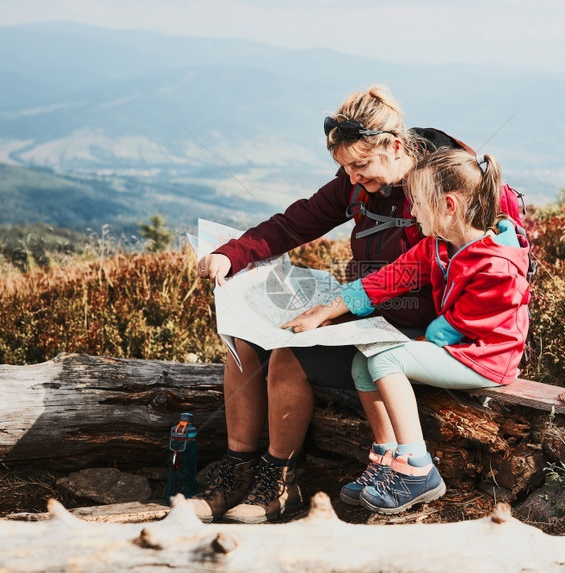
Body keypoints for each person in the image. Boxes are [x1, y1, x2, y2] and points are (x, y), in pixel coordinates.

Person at [193, 85, 475, 523]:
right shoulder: (357, 183)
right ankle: (237, 469)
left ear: (396, 146)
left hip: (422, 331)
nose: (353, 178)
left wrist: (338, 307)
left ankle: (278, 480)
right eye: (345, 168)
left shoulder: (446, 181)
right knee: (242, 339)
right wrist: (231, 253)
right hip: (367, 314)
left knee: (289, 356)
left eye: (360, 165)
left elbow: (429, 267)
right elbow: (296, 222)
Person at [283, 148, 531, 514]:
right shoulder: (437, 247)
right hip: (459, 350)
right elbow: (386, 280)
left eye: (417, 203)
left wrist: (420, 342)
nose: (411, 212)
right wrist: (325, 312)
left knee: (386, 358)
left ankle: (417, 468)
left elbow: (463, 326)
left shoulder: (498, 265)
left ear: (448, 206)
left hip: (487, 359)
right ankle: (387, 458)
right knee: (363, 362)